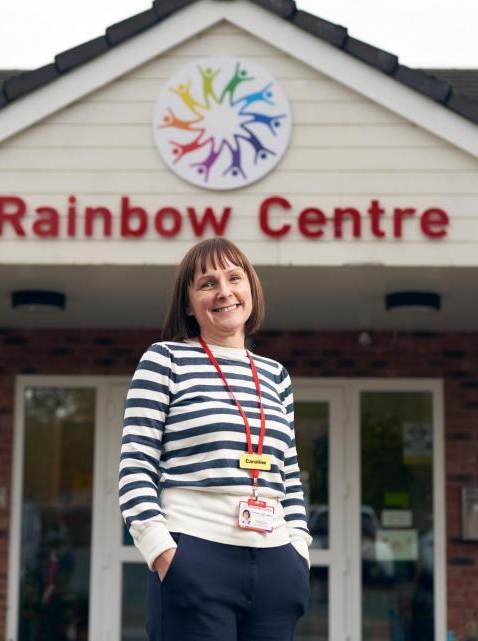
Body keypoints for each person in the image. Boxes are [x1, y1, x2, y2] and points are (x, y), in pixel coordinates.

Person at [118, 238, 311, 641]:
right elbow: (136, 463)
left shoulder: (275, 375)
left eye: (234, 278)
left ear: (250, 290)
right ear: (189, 304)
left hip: (276, 560)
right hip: (195, 555)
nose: (224, 292)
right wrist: (161, 550)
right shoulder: (164, 360)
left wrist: (299, 550)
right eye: (207, 283)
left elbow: (288, 473)